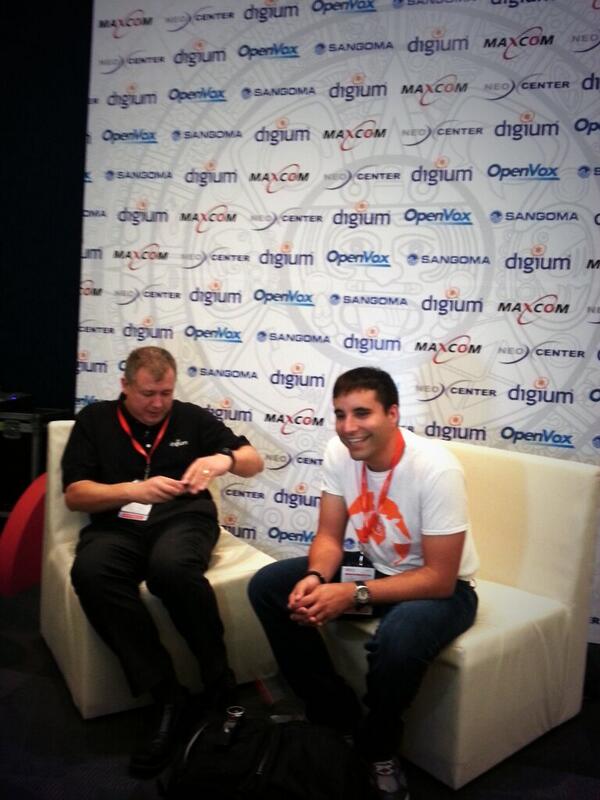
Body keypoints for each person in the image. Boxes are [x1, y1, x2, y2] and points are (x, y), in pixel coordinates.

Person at [248, 367, 479, 800]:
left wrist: (352, 593)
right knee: (270, 586)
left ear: (393, 414)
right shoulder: (339, 452)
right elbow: (329, 537)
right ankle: (334, 716)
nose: (348, 427)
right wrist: (316, 577)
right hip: (375, 570)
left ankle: (377, 747)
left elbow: (440, 577)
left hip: (443, 589)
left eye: (361, 413)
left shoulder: (436, 468)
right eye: (340, 414)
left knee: (400, 636)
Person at [62, 346, 263, 776]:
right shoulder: (95, 420)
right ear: (125, 386)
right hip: (118, 524)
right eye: (147, 394)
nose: (157, 404)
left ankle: (218, 682)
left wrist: (222, 458)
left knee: (171, 569)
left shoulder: (191, 418)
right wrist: (133, 490)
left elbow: (253, 462)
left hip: (183, 520)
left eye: (166, 393)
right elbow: (75, 494)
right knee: (91, 572)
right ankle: (166, 694)